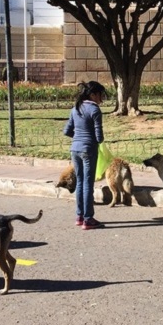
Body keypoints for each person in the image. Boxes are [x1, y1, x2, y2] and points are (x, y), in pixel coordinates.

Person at [63, 80, 107, 230]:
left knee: (80, 182)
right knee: (88, 183)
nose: (102, 98)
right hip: (89, 150)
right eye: (101, 94)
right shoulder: (94, 110)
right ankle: (88, 219)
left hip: (75, 149)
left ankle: (79, 216)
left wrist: (79, 137)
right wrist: (91, 140)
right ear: (93, 94)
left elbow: (67, 131)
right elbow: (99, 137)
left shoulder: (75, 108)